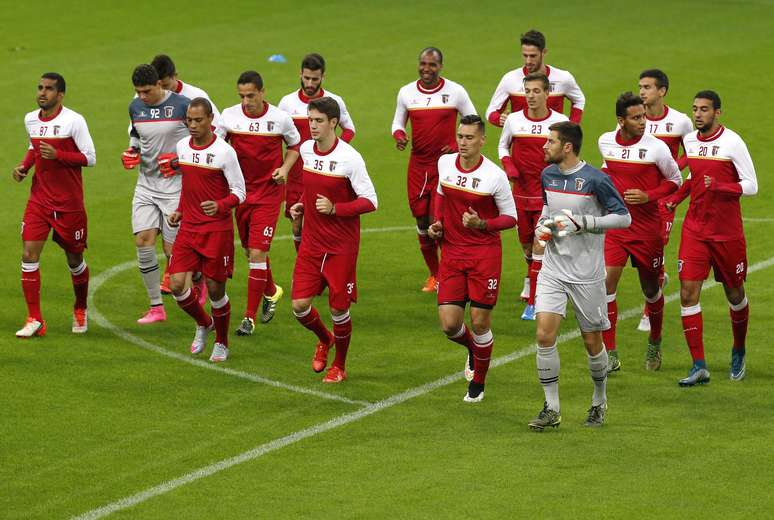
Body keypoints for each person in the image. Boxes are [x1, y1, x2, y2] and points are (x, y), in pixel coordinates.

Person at [527, 122, 631, 431]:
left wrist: (583, 222)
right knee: (545, 335)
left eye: (551, 142)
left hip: (587, 274)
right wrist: (542, 225)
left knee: (591, 341)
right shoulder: (548, 175)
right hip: (554, 270)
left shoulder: (596, 180)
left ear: (567, 147)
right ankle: (551, 408)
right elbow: (548, 208)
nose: (545, 146)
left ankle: (599, 400)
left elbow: (623, 217)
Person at [664, 91, 757, 385]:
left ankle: (739, 349)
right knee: (688, 293)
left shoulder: (733, 142)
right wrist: (676, 198)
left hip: (727, 233)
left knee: (734, 293)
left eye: (704, 109)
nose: (698, 114)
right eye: (695, 109)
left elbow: (752, 185)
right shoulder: (690, 141)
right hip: (695, 230)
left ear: (718, 112)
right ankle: (699, 365)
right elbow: (695, 178)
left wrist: (719, 186)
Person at [428, 115, 517, 402]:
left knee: (479, 322)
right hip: (452, 254)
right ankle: (473, 350)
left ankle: (478, 384)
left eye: (468, 138)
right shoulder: (445, 164)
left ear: (482, 140)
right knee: (450, 325)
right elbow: (441, 194)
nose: (462, 142)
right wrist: (437, 223)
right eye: (460, 136)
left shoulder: (494, 176)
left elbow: (511, 218)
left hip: (484, 256)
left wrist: (482, 225)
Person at [290, 97, 377, 383]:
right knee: (299, 306)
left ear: (333, 123)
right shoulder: (306, 150)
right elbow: (311, 187)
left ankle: (339, 365)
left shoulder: (350, 158)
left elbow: (371, 201)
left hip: (341, 247)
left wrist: (336, 208)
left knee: (339, 308)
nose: (312, 126)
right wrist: (302, 204)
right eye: (309, 120)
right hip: (313, 244)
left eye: (318, 121)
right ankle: (324, 338)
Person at [598, 93, 681, 373]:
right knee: (607, 284)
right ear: (621, 121)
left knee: (650, 288)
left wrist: (649, 195)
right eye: (636, 118)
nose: (643, 122)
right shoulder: (605, 141)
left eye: (644, 116)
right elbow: (608, 169)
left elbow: (675, 181)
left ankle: (655, 341)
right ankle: (610, 353)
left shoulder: (656, 148)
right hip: (617, 226)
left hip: (647, 229)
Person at [216, 71, 301, 335]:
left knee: (256, 252)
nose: (246, 101)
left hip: (268, 193)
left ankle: (249, 318)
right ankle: (272, 290)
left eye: (251, 95)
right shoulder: (229, 116)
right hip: (240, 193)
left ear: (263, 92)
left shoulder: (280, 119)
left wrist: (285, 169)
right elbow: (216, 146)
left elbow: (295, 145)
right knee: (250, 252)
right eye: (242, 96)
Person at [163, 98, 246, 362]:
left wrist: (220, 205)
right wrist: (180, 210)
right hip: (188, 228)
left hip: (216, 231)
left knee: (215, 290)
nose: (193, 125)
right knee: (177, 286)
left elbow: (240, 193)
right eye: (189, 120)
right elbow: (189, 186)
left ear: (211, 119)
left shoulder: (224, 152)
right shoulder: (182, 147)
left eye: (198, 120)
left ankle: (221, 342)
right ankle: (204, 323)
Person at [13, 73, 96, 337]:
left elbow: (90, 158)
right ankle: (34, 318)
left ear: (60, 95)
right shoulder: (30, 119)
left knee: (74, 259)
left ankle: (80, 307)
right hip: (39, 200)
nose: (42, 93)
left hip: (69, 204)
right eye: (40, 87)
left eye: (49, 89)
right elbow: (33, 147)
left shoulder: (74, 121)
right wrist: (25, 167)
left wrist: (59, 155)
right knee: (28, 255)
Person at [392, 47, 477, 292]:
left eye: (432, 64)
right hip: (418, 166)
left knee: (437, 220)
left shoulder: (456, 91)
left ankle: (450, 272)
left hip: (444, 166)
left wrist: (456, 143)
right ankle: (435, 274)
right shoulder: (407, 92)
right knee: (420, 220)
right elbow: (398, 121)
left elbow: (473, 119)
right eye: (423, 63)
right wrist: (399, 135)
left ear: (441, 67)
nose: (426, 69)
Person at [122, 64, 191, 324]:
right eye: (137, 92)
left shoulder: (184, 106)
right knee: (143, 240)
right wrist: (132, 152)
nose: (141, 96)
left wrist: (177, 160)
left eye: (146, 91)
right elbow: (136, 137)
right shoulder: (136, 107)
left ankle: (198, 282)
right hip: (146, 185)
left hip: (176, 187)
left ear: (159, 85)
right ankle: (156, 307)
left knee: (173, 250)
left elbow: (202, 142)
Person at [497, 72, 568, 320]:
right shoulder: (514, 120)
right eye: (527, 91)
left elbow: (567, 154)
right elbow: (502, 145)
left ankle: (535, 301)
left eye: (536, 91)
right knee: (528, 247)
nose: (531, 96)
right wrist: (508, 165)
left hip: (550, 197)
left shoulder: (560, 122)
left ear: (548, 93)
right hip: (521, 195)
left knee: (542, 244)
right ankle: (535, 279)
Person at [635, 69, 694, 332]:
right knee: (642, 251)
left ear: (662, 91)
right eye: (640, 86)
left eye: (647, 87)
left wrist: (673, 168)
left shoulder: (680, 121)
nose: (642, 91)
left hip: (665, 195)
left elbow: (692, 153)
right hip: (639, 196)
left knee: (656, 246)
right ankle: (660, 277)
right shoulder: (633, 119)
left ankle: (649, 311)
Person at [278, 53, 356, 251]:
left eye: (315, 79)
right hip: (297, 176)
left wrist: (334, 151)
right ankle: (305, 266)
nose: (310, 83)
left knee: (322, 224)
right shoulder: (287, 103)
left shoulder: (334, 101)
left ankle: (322, 267)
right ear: (300, 75)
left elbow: (349, 129)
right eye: (306, 78)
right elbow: (278, 138)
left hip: (325, 175)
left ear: (323, 77)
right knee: (297, 225)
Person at [486, 30, 585, 127]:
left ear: (544, 52)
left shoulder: (563, 78)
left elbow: (579, 99)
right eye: (525, 55)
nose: (528, 61)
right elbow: (491, 111)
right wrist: (499, 120)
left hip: (552, 141)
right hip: (522, 140)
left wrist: (572, 126)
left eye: (533, 56)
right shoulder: (510, 79)